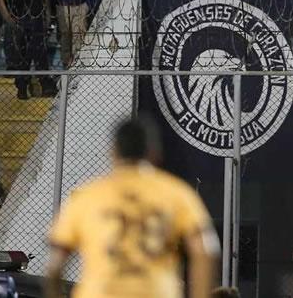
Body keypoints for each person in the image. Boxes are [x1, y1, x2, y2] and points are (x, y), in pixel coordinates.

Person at [45, 118, 217, 298]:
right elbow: (206, 251)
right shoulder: (177, 193)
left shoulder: (87, 196)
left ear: (113, 152)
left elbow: (55, 266)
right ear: (154, 153)